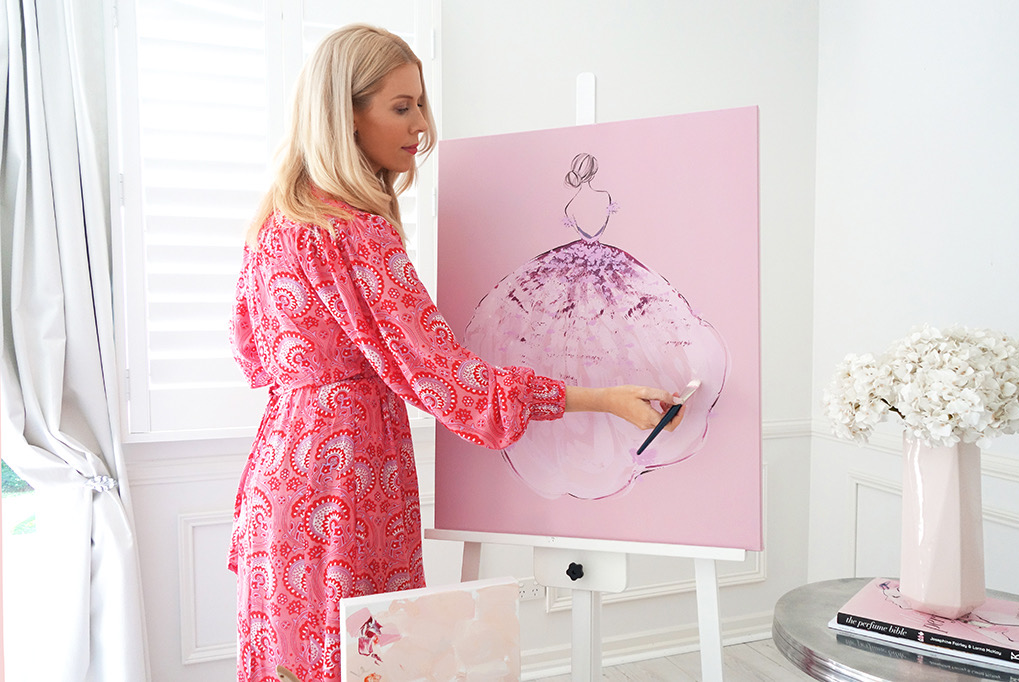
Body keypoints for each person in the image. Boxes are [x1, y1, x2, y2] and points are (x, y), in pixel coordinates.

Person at [228, 23, 683, 681]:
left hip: (280, 469)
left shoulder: (275, 222)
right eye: (401, 107)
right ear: (345, 115)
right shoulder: (356, 232)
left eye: (421, 103)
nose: (423, 126)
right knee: (360, 658)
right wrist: (602, 399)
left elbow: (249, 351)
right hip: (345, 478)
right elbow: (447, 378)